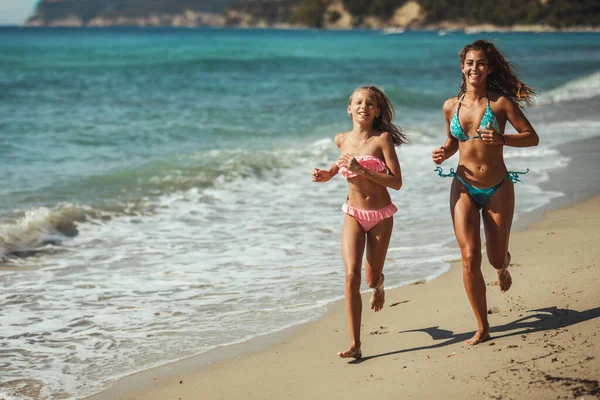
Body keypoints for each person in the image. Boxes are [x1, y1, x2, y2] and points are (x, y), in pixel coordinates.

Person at [432, 40, 539, 345]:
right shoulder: (450, 105)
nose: (474, 69)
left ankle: (503, 267)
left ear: (489, 68)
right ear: (462, 66)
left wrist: (503, 139)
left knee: (493, 258)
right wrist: (444, 153)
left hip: (497, 188)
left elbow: (532, 138)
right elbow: (455, 141)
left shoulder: (500, 103)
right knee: (468, 256)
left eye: (480, 63)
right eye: (469, 63)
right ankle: (483, 325)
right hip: (463, 186)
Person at [312, 85, 406, 359]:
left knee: (369, 277)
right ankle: (355, 343)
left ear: (377, 111)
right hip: (353, 213)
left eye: (370, 104)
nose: (364, 107)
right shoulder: (341, 139)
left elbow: (397, 182)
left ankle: (379, 285)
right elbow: (340, 164)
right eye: (359, 102)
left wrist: (362, 169)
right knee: (351, 275)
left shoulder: (382, 140)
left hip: (380, 216)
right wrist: (327, 174)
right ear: (349, 108)